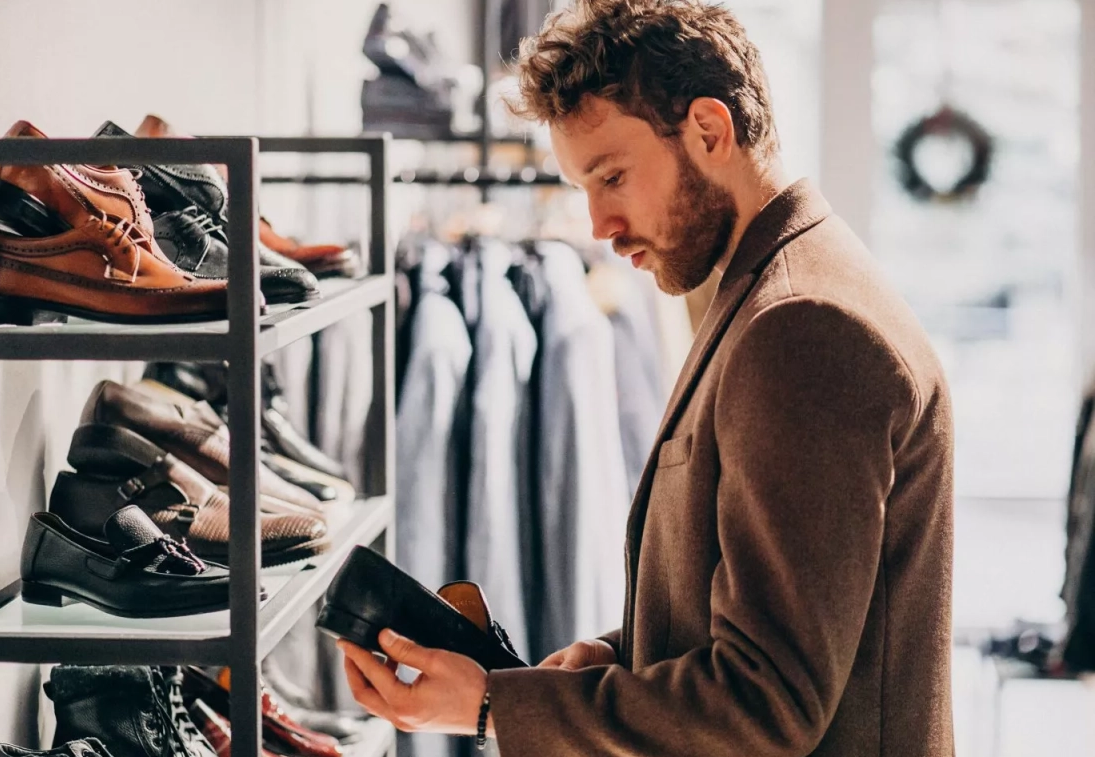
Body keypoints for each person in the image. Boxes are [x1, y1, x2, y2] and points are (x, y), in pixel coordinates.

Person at [337, 1, 955, 754]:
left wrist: (495, 703)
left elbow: (768, 702)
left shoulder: (801, 326)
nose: (597, 223)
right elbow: (756, 614)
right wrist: (615, 659)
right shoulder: (772, 290)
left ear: (709, 130)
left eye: (613, 177)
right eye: (583, 189)